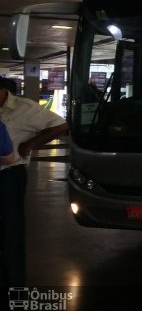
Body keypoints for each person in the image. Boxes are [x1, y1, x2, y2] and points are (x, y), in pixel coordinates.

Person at [0, 77, 69, 287]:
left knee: (10, 231)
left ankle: (15, 284)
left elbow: (61, 125)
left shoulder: (25, 108)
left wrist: (30, 144)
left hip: (8, 176)